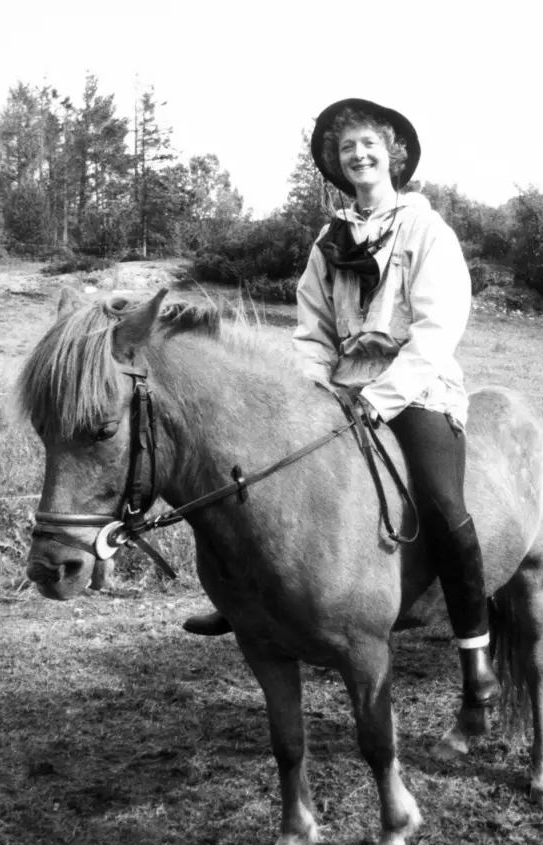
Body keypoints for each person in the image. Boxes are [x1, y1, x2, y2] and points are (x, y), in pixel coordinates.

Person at [184, 98, 500, 711]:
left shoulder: (426, 231)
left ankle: (474, 645)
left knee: (444, 505)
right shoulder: (329, 241)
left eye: (368, 145)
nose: (358, 154)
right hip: (337, 390)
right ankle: (246, 601)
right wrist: (314, 390)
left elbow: (437, 330)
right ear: (337, 162)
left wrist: (382, 398)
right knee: (256, 481)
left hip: (414, 389)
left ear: (393, 154)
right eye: (346, 147)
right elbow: (311, 330)